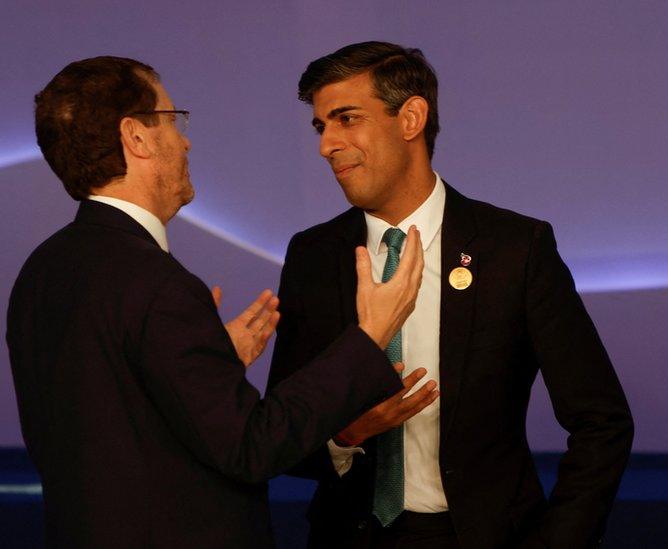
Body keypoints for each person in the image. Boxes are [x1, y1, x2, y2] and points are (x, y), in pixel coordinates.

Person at [6, 55, 430, 548]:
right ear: (136, 137)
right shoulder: (159, 285)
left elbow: (112, 417)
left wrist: (211, 363)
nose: (184, 140)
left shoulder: (43, 270)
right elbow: (253, 446)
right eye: (172, 119)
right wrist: (369, 336)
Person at [267, 42, 634, 549]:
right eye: (321, 126)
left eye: (346, 119)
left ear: (411, 117)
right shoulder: (313, 255)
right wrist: (344, 436)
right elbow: (280, 436)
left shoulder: (514, 249)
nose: (326, 144)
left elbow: (602, 424)